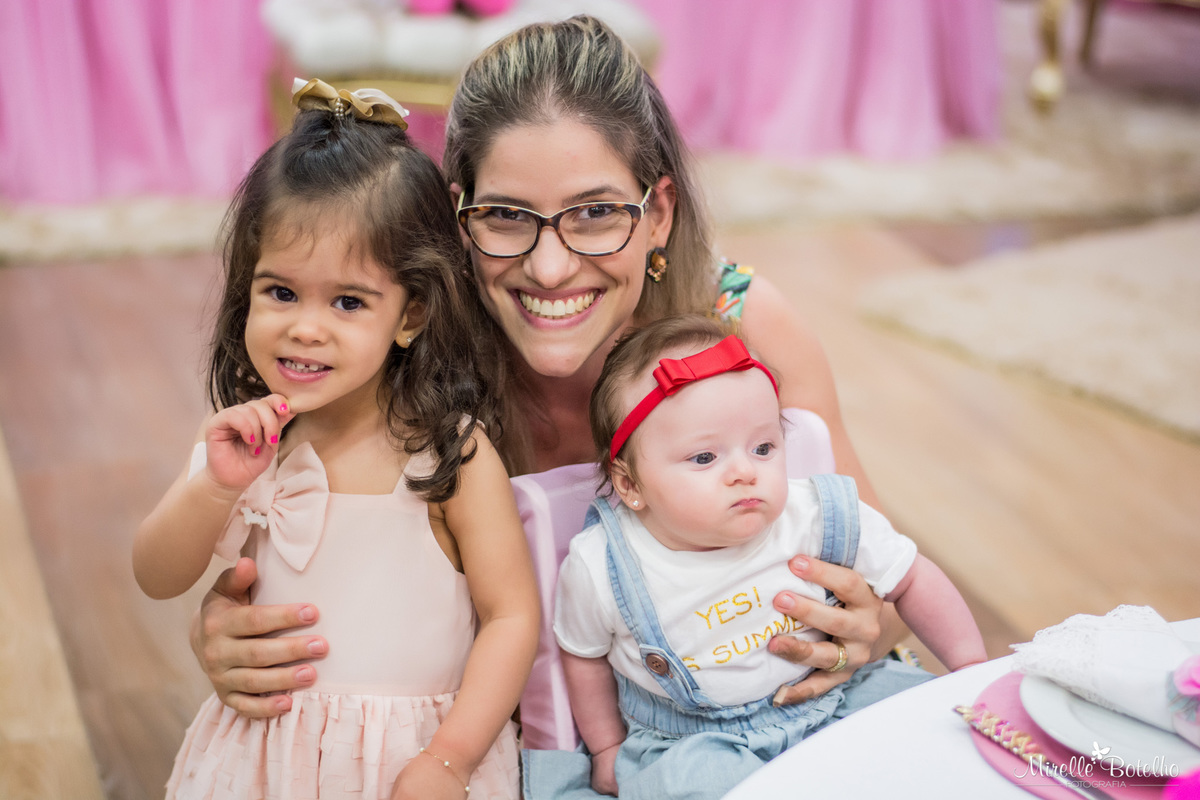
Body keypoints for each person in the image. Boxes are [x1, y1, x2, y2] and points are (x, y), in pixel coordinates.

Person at [188, 15, 915, 746]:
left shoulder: (743, 325)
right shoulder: (395, 352)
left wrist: (860, 627)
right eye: (506, 216)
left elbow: (882, 581)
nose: (549, 267)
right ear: (460, 218)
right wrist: (227, 626)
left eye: (596, 213)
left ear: (659, 214)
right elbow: (301, 557)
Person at [132, 79, 539, 799]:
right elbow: (156, 575)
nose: (306, 327)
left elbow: (511, 616)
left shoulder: (451, 452)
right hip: (267, 758)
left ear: (411, 315)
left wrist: (450, 758)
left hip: (411, 758)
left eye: (348, 301)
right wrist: (215, 486)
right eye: (281, 292)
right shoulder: (245, 440)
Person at [527, 315, 986, 798]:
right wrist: (605, 747)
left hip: (832, 696)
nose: (745, 471)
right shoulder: (604, 564)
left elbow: (912, 577)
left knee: (924, 726)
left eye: (763, 447)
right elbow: (584, 656)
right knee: (700, 787)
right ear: (629, 484)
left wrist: (970, 668)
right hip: (694, 740)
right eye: (705, 458)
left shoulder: (815, 514)